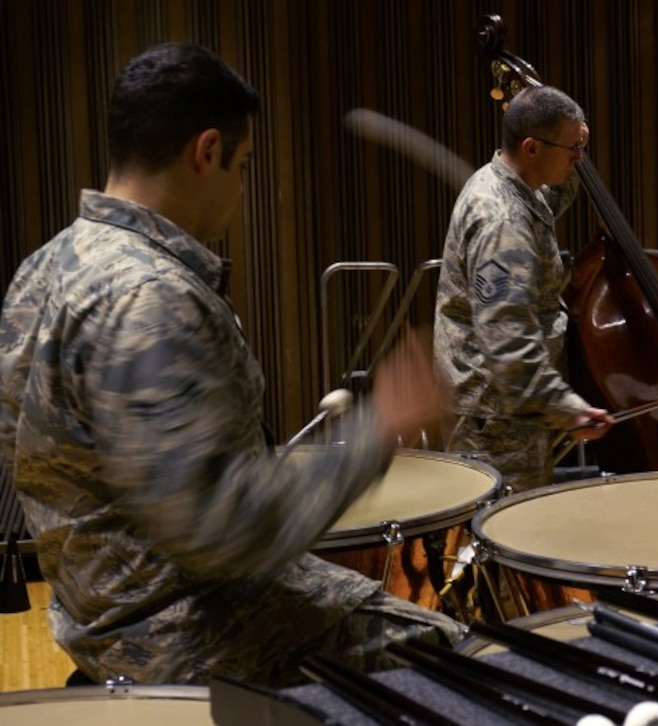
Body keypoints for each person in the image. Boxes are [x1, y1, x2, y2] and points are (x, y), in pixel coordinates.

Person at [0, 42, 464, 688]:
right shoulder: (149, 296)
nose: (243, 190)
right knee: (459, 658)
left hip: (95, 613)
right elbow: (224, 531)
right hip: (180, 631)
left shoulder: (42, 270)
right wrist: (378, 429)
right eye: (242, 166)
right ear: (207, 150)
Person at [433, 85, 614, 494]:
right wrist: (568, 409)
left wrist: (576, 136)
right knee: (501, 540)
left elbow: (551, 196)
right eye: (571, 149)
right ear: (532, 147)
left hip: (506, 409)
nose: (578, 160)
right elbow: (508, 342)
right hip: (493, 419)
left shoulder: (515, 186)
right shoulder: (501, 223)